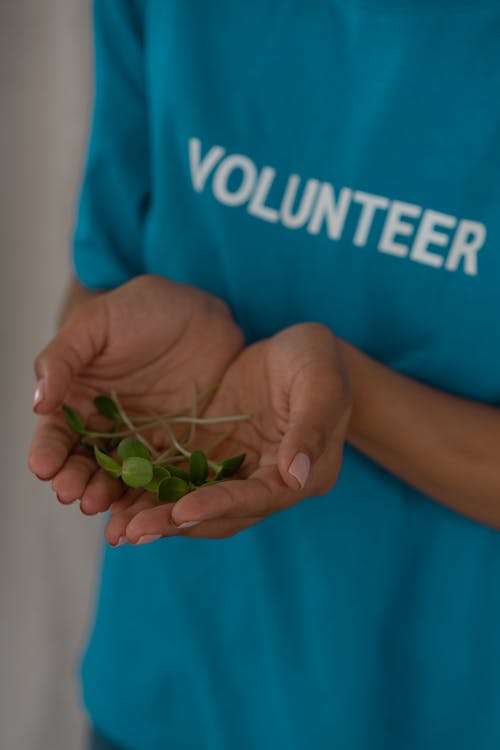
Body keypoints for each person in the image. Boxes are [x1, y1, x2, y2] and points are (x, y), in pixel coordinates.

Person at [29, 1, 500, 748]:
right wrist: (107, 348)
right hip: (169, 695)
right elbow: (99, 287)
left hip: (434, 709)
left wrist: (352, 394)